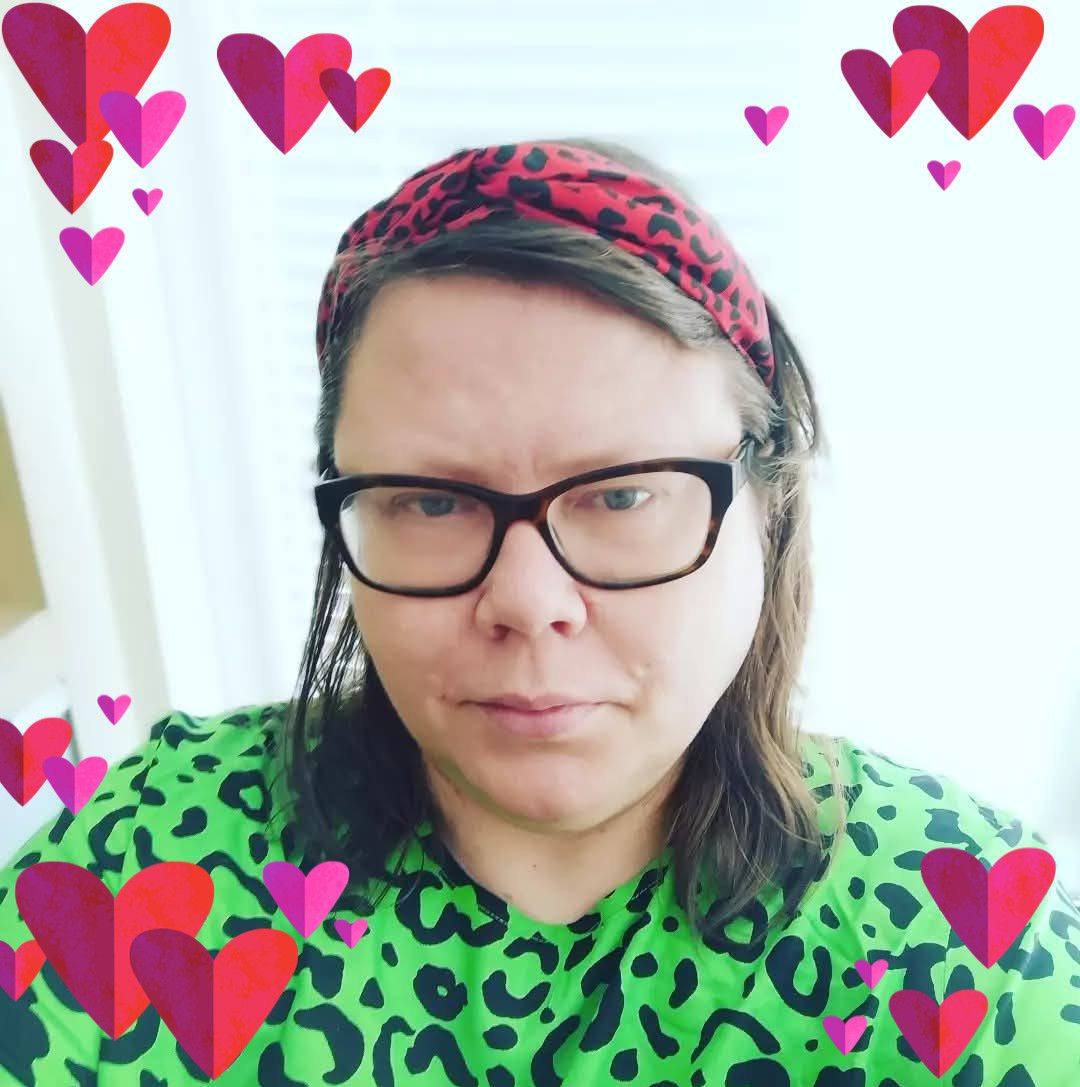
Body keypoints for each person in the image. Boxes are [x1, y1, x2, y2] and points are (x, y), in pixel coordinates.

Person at [1, 137, 1077, 1086]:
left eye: (624, 494)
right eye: (429, 500)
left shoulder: (968, 929)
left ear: (772, 505)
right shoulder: (149, 863)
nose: (525, 602)